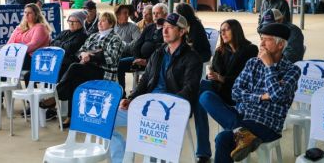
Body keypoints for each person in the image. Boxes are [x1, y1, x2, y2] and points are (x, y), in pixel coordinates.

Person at [110, 13, 203, 163]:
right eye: (164, 27)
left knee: (154, 145)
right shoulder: (159, 52)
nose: (164, 31)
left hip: (171, 109)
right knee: (108, 118)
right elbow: (145, 79)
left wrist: (165, 106)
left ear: (182, 31)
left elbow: (189, 89)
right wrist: (131, 98)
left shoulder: (192, 57)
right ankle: (121, 159)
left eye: (170, 28)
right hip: (147, 105)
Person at [211, 23, 301, 163]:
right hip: (243, 116)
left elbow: (277, 96)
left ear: (280, 45)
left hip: (266, 124)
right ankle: (243, 134)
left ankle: (242, 134)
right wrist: (261, 97)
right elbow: (235, 92)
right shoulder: (253, 63)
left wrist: (269, 66)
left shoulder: (292, 70)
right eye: (262, 38)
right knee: (206, 97)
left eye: (267, 39)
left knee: (222, 139)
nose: (262, 43)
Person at [195, 19, 258, 163]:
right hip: (221, 91)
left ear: (236, 30)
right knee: (202, 90)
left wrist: (221, 78)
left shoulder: (250, 50)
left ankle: (205, 151)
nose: (222, 33)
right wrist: (212, 76)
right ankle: (240, 131)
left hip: (239, 94)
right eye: (221, 30)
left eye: (226, 29)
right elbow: (215, 75)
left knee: (203, 95)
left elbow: (246, 80)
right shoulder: (220, 51)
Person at [55, 12, 123, 128]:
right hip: (89, 69)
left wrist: (90, 56)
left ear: (111, 24)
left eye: (103, 21)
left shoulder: (115, 39)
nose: (100, 23)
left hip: (104, 72)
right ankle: (72, 117)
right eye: (99, 20)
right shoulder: (93, 36)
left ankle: (57, 93)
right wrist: (83, 54)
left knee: (74, 67)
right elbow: (80, 51)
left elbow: (111, 58)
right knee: (74, 81)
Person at [0, 3, 51, 72]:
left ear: (36, 15)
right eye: (25, 12)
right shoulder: (19, 28)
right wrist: (8, 51)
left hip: (33, 59)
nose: (26, 15)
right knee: (4, 59)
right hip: (17, 56)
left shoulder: (40, 27)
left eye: (29, 13)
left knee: (8, 60)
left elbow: (33, 45)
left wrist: (15, 51)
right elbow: (9, 44)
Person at [114, 4, 141, 94]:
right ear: (117, 15)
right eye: (124, 13)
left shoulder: (133, 27)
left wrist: (122, 46)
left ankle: (122, 94)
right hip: (113, 55)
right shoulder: (112, 27)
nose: (127, 15)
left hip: (128, 56)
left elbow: (137, 42)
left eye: (128, 13)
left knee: (119, 64)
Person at [132, 3, 168, 69]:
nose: (155, 16)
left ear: (165, 15)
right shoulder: (149, 27)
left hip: (156, 62)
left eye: (158, 13)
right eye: (153, 13)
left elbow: (163, 52)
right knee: (121, 64)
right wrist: (137, 58)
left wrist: (147, 61)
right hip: (139, 59)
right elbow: (137, 44)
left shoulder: (167, 30)